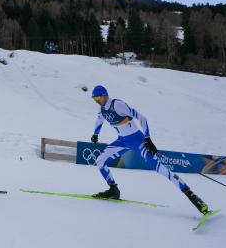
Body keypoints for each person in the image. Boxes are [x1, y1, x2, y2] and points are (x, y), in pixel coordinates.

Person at [89, 85, 209, 214]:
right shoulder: (102, 110)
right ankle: (113, 190)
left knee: (160, 168)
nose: (96, 100)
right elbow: (99, 121)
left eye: (98, 97)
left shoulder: (117, 104)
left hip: (138, 140)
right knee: (100, 161)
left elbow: (142, 118)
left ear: (105, 95)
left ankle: (193, 197)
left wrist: (147, 138)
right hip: (122, 141)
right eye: (94, 98)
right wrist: (96, 134)